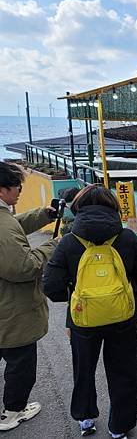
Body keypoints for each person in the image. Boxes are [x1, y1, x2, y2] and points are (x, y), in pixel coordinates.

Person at [43, 184, 137, 438]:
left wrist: (76, 299)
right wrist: (124, 293)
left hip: (83, 320)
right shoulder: (126, 238)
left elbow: (50, 286)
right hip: (123, 318)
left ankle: (85, 418)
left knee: (84, 369)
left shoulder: (70, 242)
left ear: (78, 209)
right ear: (113, 207)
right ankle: (119, 427)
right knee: (123, 370)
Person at [0, 162, 58, 432]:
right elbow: (22, 267)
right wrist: (51, 246)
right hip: (11, 310)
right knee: (21, 362)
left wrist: (43, 215)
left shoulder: (5, 220)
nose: (20, 191)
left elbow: (12, 227)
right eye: (17, 187)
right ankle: (13, 411)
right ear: (2, 190)